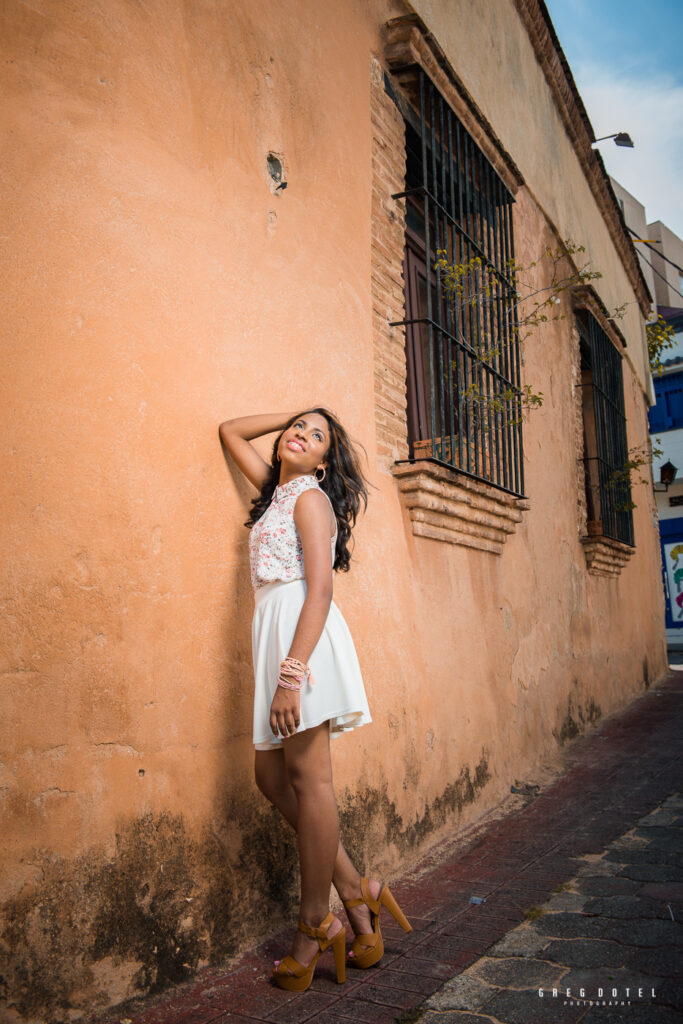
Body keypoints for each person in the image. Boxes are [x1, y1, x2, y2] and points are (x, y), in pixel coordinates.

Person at [218, 408, 412, 991]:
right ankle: (356, 892)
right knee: (272, 779)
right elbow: (230, 431)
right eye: (296, 428)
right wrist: (302, 406)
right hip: (274, 632)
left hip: (301, 638)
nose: (299, 434)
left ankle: (313, 922)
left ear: (325, 463)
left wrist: (291, 674)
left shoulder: (310, 500)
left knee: (309, 779)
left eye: (316, 435)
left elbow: (321, 589)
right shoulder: (276, 493)